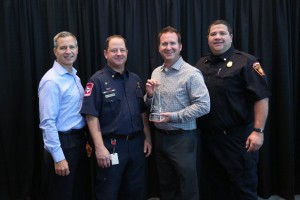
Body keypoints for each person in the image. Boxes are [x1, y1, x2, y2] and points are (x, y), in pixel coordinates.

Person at [195, 19, 271, 200]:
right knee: (216, 188)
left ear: (230, 36)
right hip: (209, 139)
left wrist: (258, 131)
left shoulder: (246, 62)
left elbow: (261, 98)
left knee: (243, 189)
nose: (217, 37)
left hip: (238, 139)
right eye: (213, 34)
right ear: (208, 38)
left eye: (222, 33)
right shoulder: (201, 64)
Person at [80, 35, 152, 200]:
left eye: (122, 50)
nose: (119, 53)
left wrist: (148, 137)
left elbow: (142, 112)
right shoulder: (96, 81)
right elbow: (91, 116)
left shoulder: (135, 80)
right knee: (108, 192)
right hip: (111, 147)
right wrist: (99, 147)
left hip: (136, 145)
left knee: (136, 191)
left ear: (127, 52)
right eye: (114, 50)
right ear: (106, 53)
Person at [145, 26, 210, 200]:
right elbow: (152, 104)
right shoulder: (156, 72)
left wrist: (174, 116)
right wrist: (150, 95)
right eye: (164, 43)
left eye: (172, 43)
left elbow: (204, 105)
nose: (168, 47)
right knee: (166, 185)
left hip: (183, 138)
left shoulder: (191, 74)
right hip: (160, 137)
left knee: (187, 187)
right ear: (159, 47)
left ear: (180, 46)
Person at [38, 31, 88, 200]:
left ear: (77, 49)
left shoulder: (74, 76)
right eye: (63, 47)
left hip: (77, 141)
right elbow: (47, 122)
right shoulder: (52, 81)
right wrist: (58, 158)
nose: (68, 51)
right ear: (55, 51)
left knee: (77, 191)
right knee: (62, 194)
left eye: (72, 47)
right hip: (62, 143)